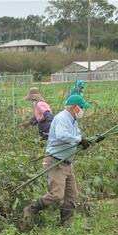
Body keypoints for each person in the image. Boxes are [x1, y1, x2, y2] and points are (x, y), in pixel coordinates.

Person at [23, 95, 92, 227]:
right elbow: (61, 135)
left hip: (67, 163)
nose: (83, 110)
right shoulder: (62, 118)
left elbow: (76, 137)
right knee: (57, 194)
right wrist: (78, 140)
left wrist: (83, 142)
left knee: (72, 195)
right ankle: (31, 209)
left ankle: (66, 224)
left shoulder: (73, 121)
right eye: (82, 107)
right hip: (56, 162)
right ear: (75, 107)